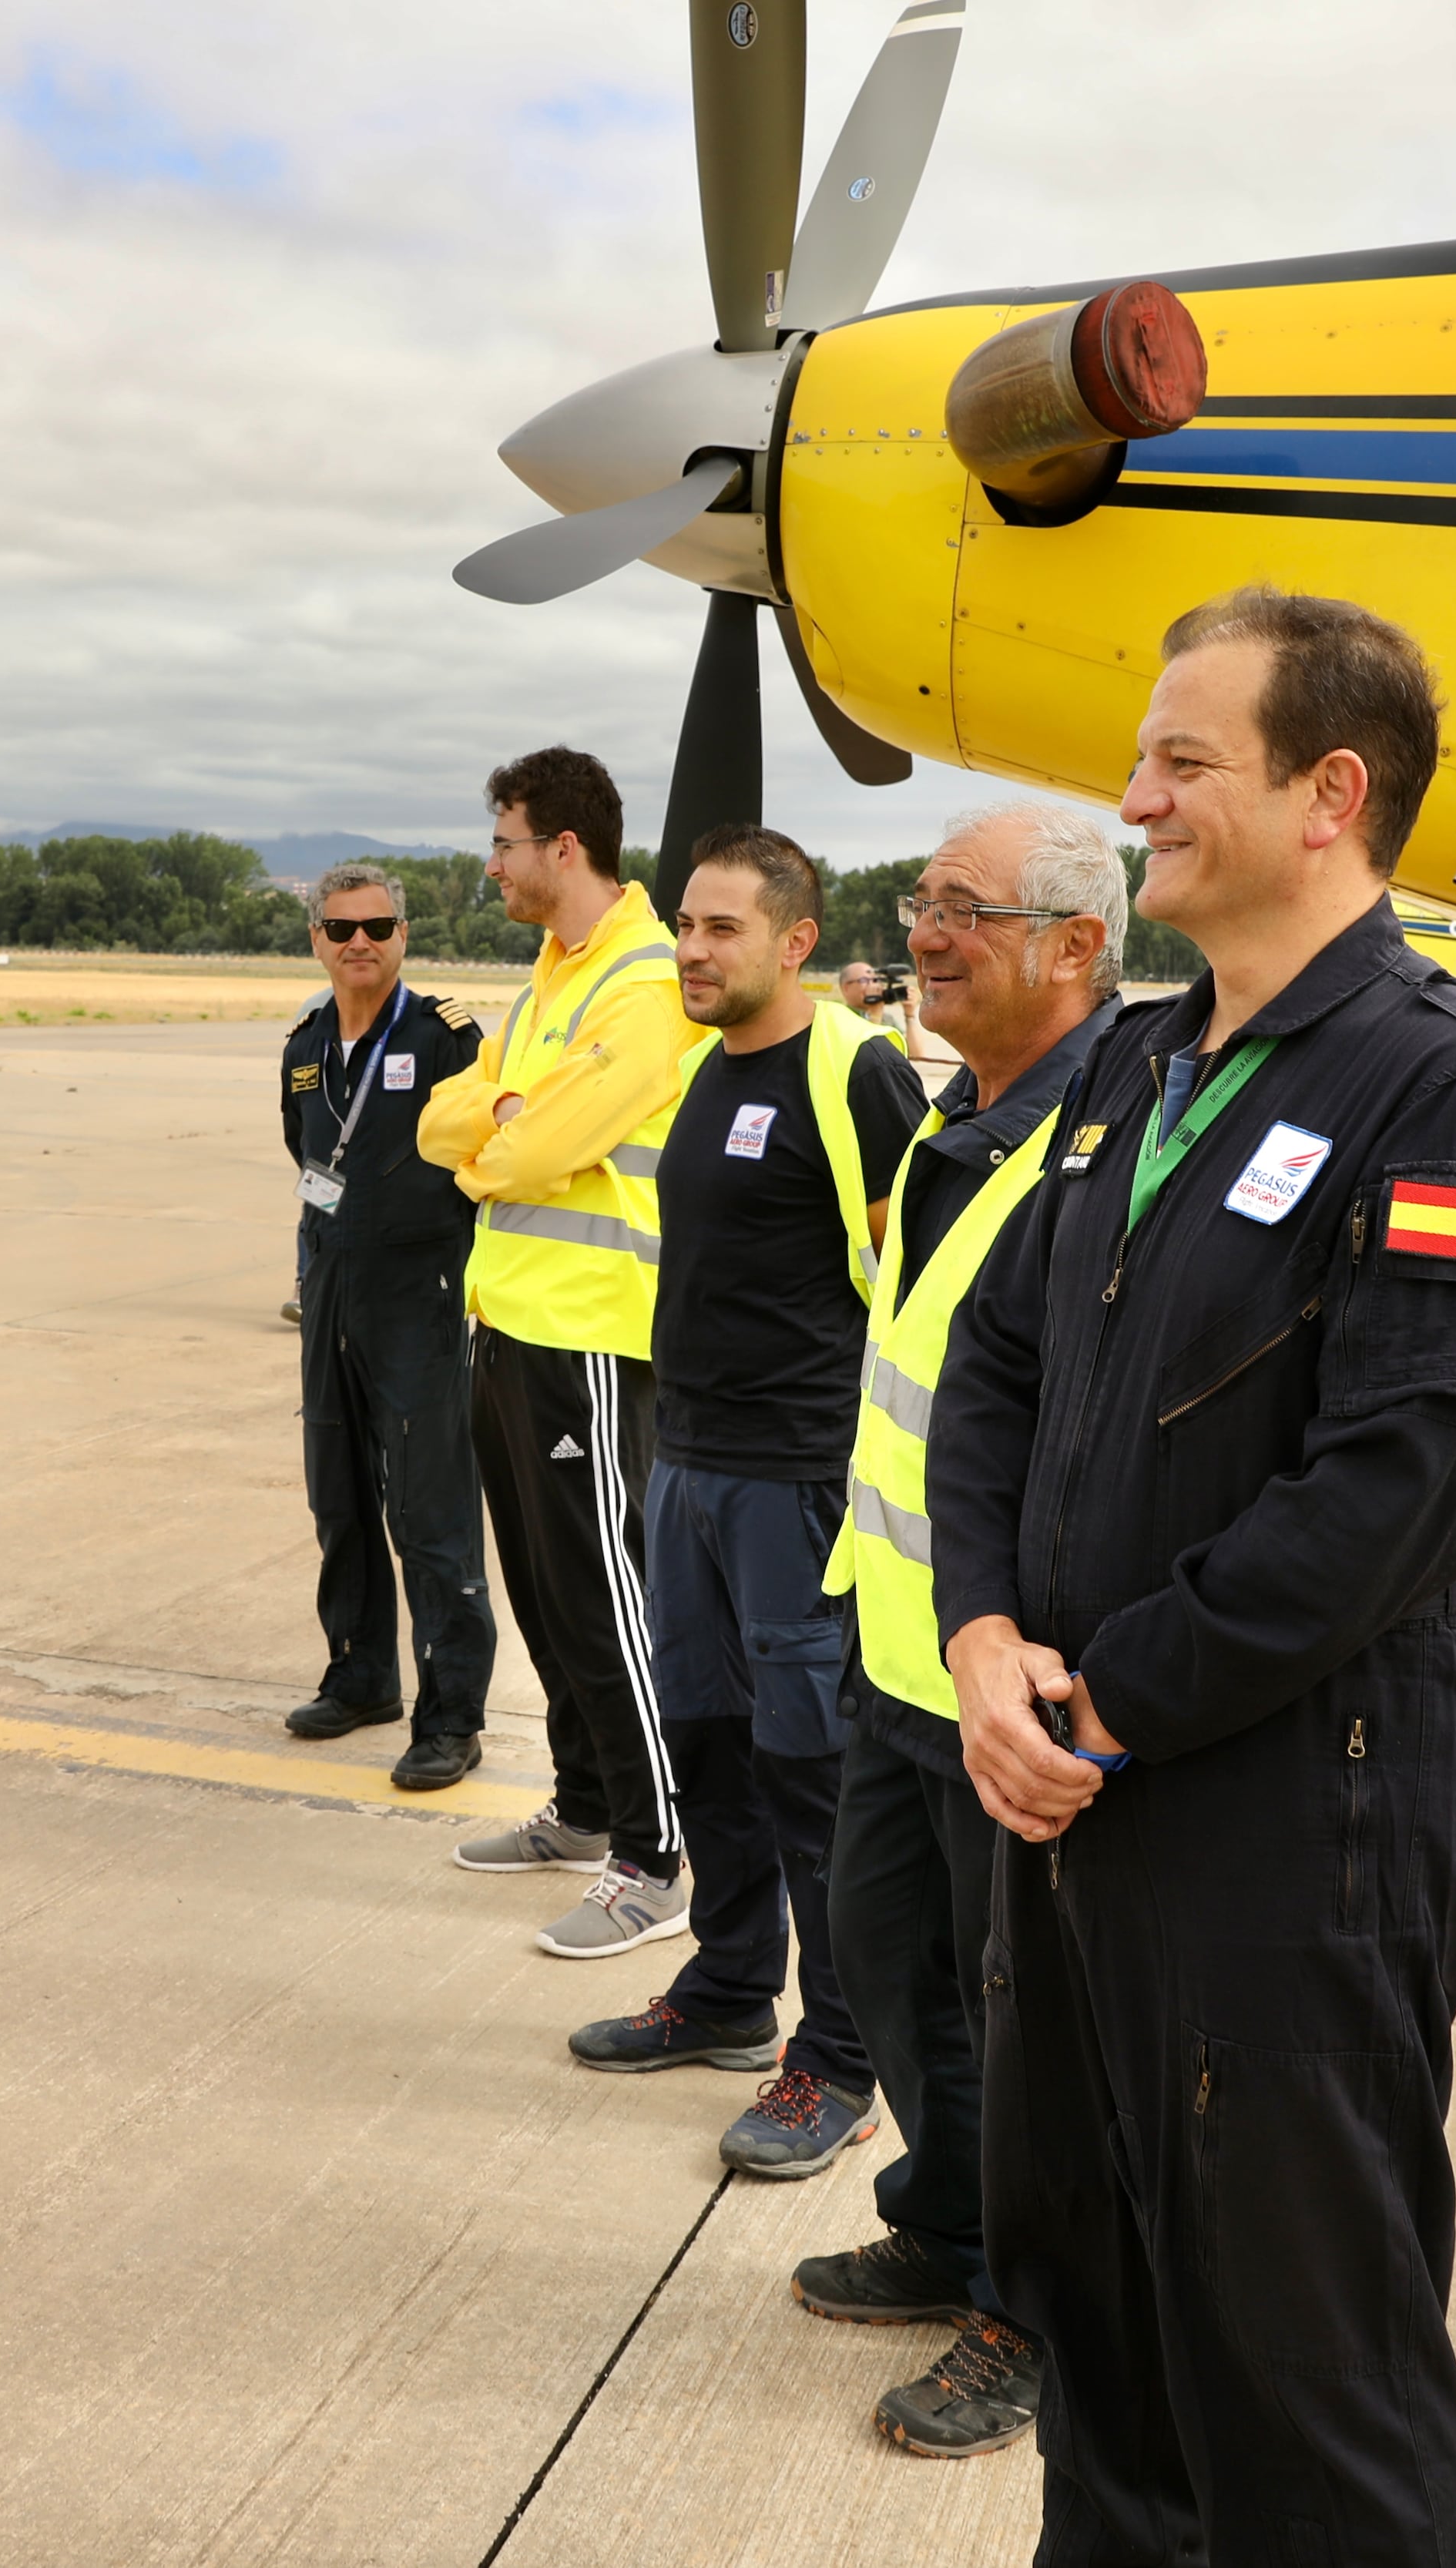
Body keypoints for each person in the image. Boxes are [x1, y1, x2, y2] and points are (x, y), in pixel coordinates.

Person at [931, 588, 1456, 2564]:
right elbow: (996, 1364)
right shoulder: (1140, 1072)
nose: (1130, 798)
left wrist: (1109, 1702)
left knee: (1306, 2384)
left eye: (1178, 763)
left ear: (1331, 794)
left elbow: (1414, 1471)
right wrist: (981, 1636)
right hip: (1063, 1810)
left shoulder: (1452, 1085)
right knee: (1102, 2334)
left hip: (1283, 1842)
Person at [789, 801, 1128, 2462]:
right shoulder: (957, 1121)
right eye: (919, 901)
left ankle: (1038, 2307)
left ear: (1074, 946)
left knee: (1027, 2023)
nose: (923, 934)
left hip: (1008, 1671)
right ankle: (944, 2216)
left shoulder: (1111, 1139)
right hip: (899, 1638)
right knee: (885, 1958)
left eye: (963, 910)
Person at [563, 826, 922, 2181]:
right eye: (685, 927)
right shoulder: (707, 1074)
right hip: (691, 1462)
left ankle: (837, 2053)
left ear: (794, 942)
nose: (692, 950)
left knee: (810, 1769)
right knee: (709, 1741)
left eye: (721, 928)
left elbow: (914, 1284)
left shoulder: (855, 1072)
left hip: (797, 1477)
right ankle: (725, 1989)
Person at [419, 747, 699, 1956]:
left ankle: (658, 1852)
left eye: (504, 843)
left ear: (564, 849)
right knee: (543, 1588)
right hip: (509, 1317)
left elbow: (534, 1152)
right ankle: (584, 1805)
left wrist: (503, 1131)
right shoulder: (549, 979)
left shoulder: (641, 983)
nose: (493, 865)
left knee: (605, 1594)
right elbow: (451, 1116)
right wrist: (502, 1122)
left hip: (590, 1323)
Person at [275, 864, 498, 1788]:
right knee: (339, 1495)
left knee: (429, 1508)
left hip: (422, 1294)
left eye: (376, 927)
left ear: (403, 935)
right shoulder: (302, 1046)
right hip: (330, 1286)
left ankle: (451, 1716)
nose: (357, 943)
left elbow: (485, 1154)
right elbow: (302, 1153)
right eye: (339, 928)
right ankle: (360, 1673)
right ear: (317, 940)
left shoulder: (448, 1039)